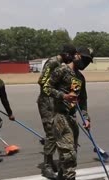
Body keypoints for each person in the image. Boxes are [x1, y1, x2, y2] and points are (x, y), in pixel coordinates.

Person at [42, 47, 93, 180]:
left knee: (70, 154)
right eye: (84, 59)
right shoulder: (62, 70)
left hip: (71, 118)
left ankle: (61, 176)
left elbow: (82, 101)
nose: (85, 64)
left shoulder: (80, 78)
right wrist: (63, 96)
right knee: (69, 156)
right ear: (76, 56)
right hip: (60, 117)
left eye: (88, 62)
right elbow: (47, 88)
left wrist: (86, 118)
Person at [37, 44, 77, 179]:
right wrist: (59, 94)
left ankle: (54, 164)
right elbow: (42, 81)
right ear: (66, 54)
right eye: (71, 56)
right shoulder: (54, 62)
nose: (72, 59)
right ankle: (47, 166)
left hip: (54, 101)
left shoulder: (61, 64)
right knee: (50, 133)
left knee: (55, 132)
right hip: (47, 101)